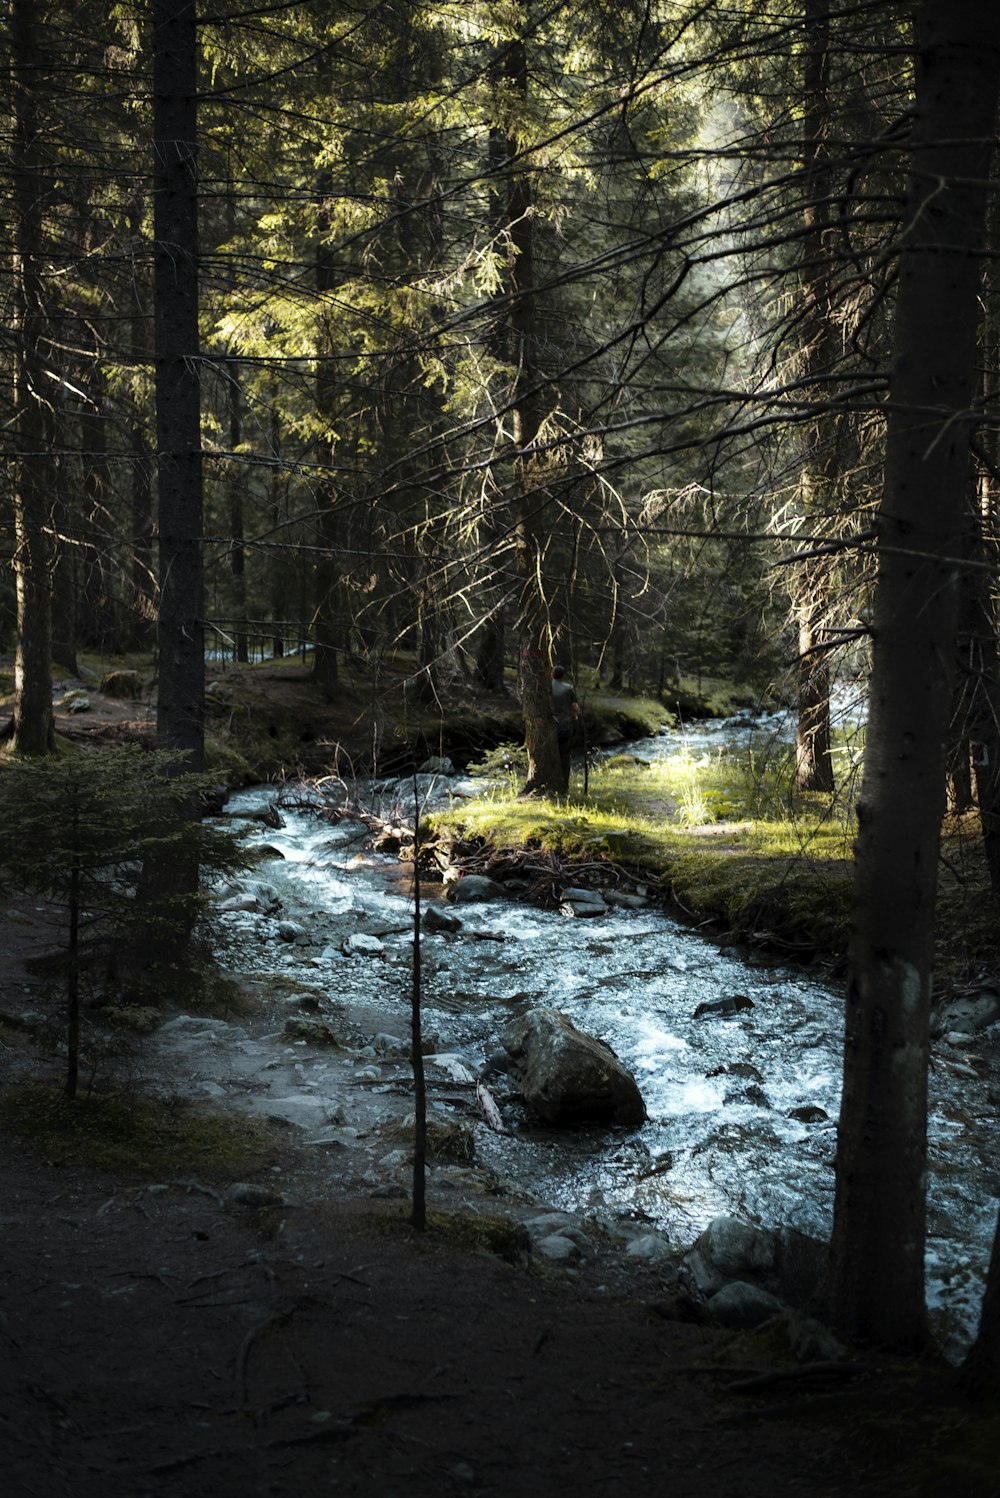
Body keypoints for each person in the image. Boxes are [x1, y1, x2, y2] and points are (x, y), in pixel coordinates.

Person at [551, 664, 581, 792]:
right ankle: (564, 786)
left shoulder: (546, 687)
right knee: (564, 756)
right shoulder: (568, 688)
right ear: (563, 676)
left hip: (550, 726)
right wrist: (578, 716)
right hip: (564, 726)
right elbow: (576, 708)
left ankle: (550, 782)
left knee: (551, 755)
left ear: (552, 674)